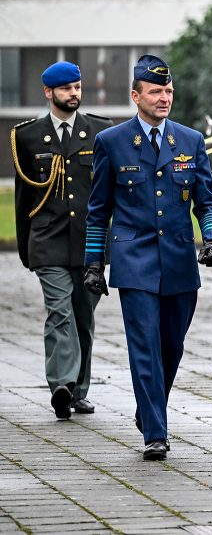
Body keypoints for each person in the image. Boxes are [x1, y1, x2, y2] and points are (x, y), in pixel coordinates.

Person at [84, 54, 212, 461]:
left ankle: (148, 408)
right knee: (144, 346)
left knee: (171, 347)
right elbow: (98, 210)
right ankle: (156, 434)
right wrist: (95, 263)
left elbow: (208, 203)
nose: (164, 98)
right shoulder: (112, 142)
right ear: (135, 95)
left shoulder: (191, 140)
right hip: (135, 262)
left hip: (180, 261)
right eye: (156, 92)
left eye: (169, 91)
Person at [13, 61, 113, 420]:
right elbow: (24, 198)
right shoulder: (26, 136)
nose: (74, 93)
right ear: (48, 93)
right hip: (48, 241)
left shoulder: (101, 132)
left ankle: (79, 389)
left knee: (83, 316)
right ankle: (61, 384)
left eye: (77, 87)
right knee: (59, 312)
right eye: (66, 88)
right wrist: (26, 247)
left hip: (90, 243)